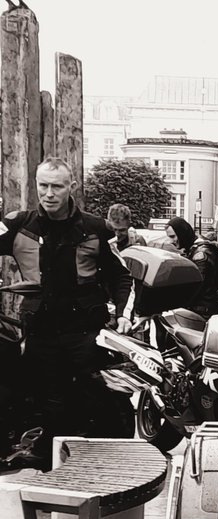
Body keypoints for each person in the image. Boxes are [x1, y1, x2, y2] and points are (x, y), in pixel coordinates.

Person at [0, 157, 135, 463]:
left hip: (86, 332)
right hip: (39, 330)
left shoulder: (96, 228)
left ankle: (103, 466)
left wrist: (124, 314)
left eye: (57, 186)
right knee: (43, 399)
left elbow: (122, 276)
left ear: (71, 187)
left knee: (96, 400)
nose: (49, 193)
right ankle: (44, 462)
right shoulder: (17, 224)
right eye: (43, 186)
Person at [165, 216, 218, 317]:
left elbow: (197, 284)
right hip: (199, 309)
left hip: (202, 312)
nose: (171, 241)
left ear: (182, 233)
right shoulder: (193, 250)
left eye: (173, 236)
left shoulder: (201, 253)